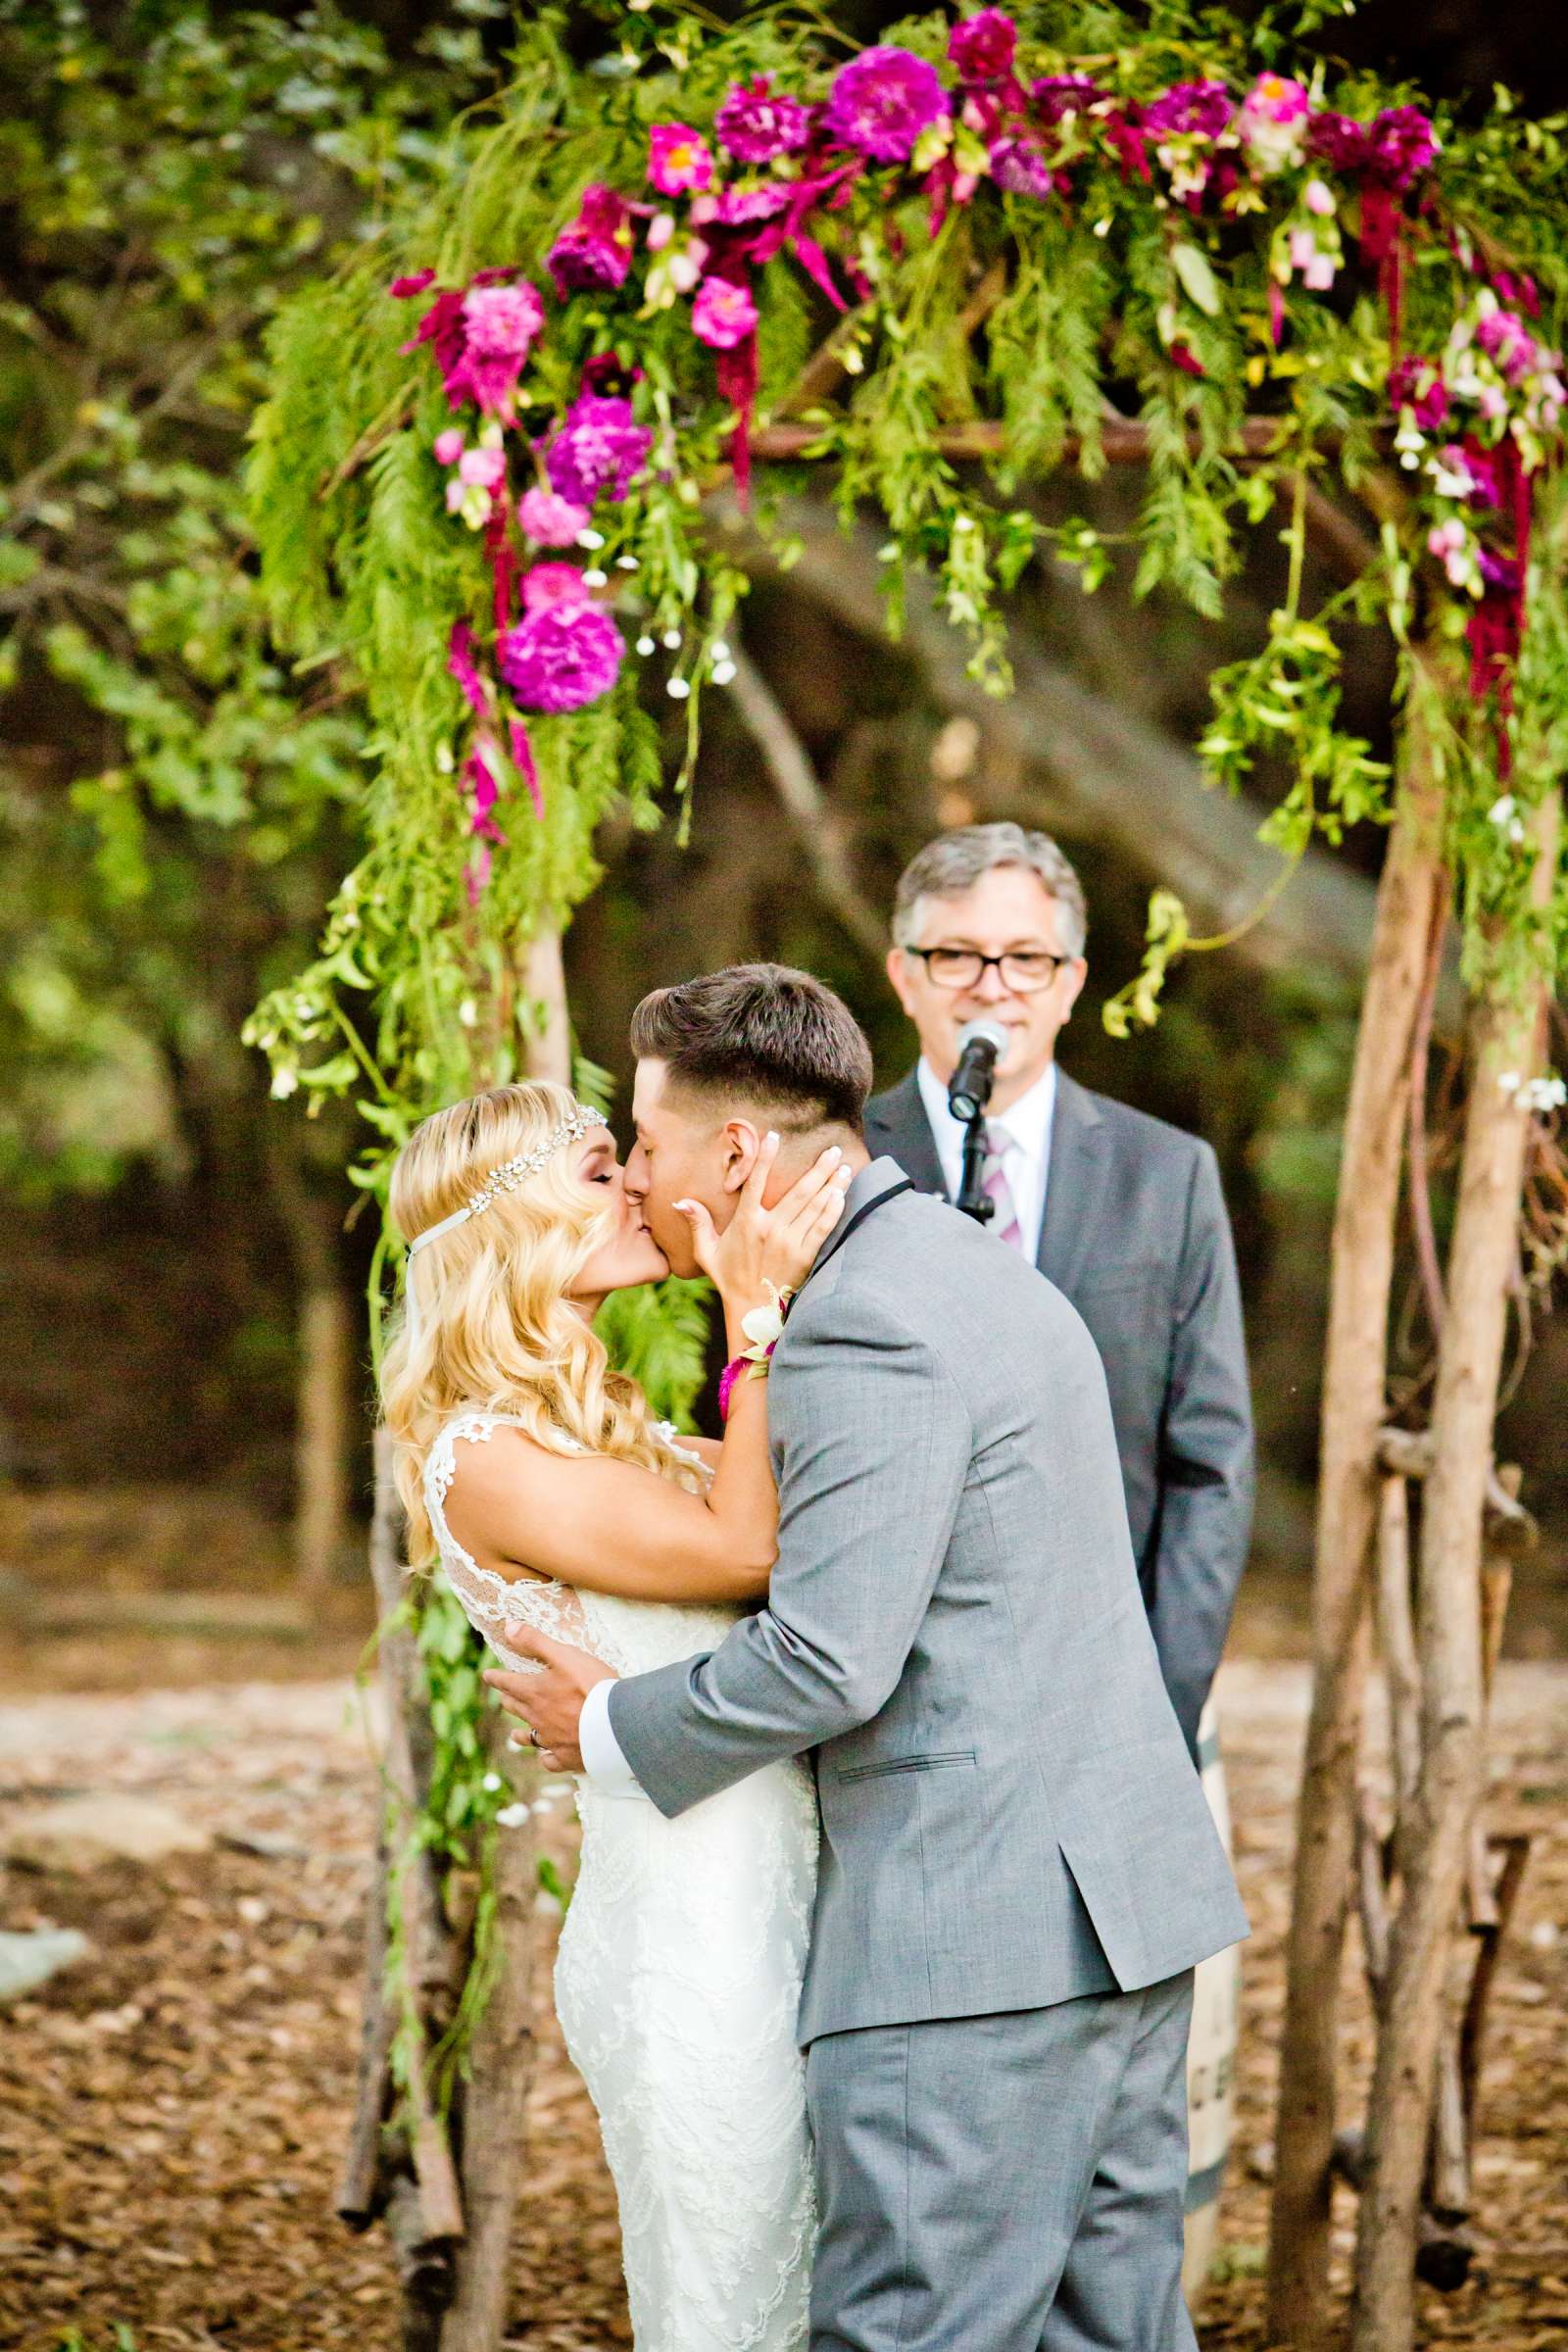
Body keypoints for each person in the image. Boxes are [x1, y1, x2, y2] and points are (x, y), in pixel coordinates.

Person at [491, 961, 1249, 2352]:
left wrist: (606, 1724)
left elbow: (829, 1659)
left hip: (974, 1952)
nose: (637, 1180)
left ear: (736, 1152)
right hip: (1115, 1918)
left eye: (646, 1148)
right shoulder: (959, 1267)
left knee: (916, 2334)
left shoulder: (861, 1323)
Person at [379, 1074, 854, 2352]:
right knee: (731, 2312)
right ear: (514, 1221)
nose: (639, 1183)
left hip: (778, 1909)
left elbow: (817, 1506)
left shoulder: (601, 1423)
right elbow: (747, 1546)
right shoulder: (485, 1458)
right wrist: (755, 1316)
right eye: (602, 1167)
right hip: (693, 1952)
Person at [867, 822, 1254, 1754]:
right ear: (903, 974)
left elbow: (1211, 1466)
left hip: (1113, 1700)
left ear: (1072, 982)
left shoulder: (1168, 1175)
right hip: (884, 1704)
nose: (992, 985)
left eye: (1027, 958)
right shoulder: (839, 1163)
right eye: (956, 953)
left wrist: (1158, 1704)